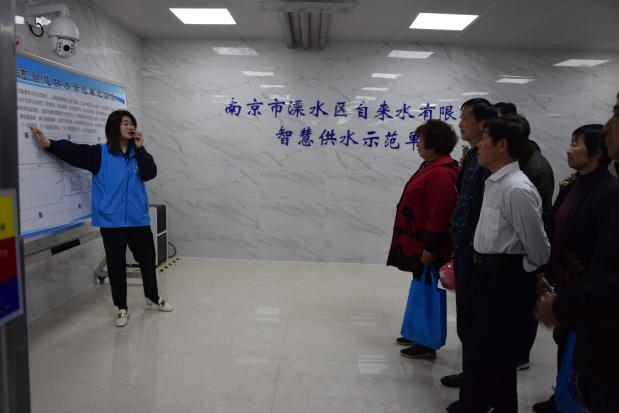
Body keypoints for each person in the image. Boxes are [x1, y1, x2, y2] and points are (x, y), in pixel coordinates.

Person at [31, 110, 173, 327]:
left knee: (147, 259)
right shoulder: (100, 153)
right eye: (125, 123)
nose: (130, 126)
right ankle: (121, 308)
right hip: (111, 221)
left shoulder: (138, 154)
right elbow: (74, 151)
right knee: (116, 265)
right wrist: (49, 144)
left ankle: (152, 297)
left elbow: (150, 173)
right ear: (114, 127)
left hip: (138, 219)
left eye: (132, 123)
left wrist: (140, 148)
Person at [459, 118, 550, 413]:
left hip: (505, 278)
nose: (479, 144)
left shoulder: (516, 188)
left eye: (485, 138)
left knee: (489, 353)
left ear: (502, 145)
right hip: (487, 273)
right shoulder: (496, 181)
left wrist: (525, 274)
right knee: (491, 354)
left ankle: (477, 405)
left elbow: (538, 247)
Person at [536, 99, 619, 412]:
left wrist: (575, 293)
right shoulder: (572, 184)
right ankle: (562, 393)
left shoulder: (608, 191)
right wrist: (546, 272)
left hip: (585, 288)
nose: (569, 150)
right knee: (565, 345)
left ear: (596, 152)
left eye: (576, 143)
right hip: (565, 283)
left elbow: (601, 251)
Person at [387, 119, 460, 359]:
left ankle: (425, 343)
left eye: (420, 139)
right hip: (416, 241)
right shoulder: (432, 166)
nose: (417, 144)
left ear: (433, 142)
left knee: (427, 290)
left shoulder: (441, 172)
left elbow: (440, 213)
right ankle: (416, 332)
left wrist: (430, 247)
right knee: (421, 286)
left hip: (427, 245)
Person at [440, 100, 497, 399]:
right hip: (464, 248)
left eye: (465, 119)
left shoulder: (488, 162)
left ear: (483, 124)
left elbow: (488, 211)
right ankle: (471, 376)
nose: (460, 124)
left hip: (478, 254)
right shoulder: (474, 156)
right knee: (466, 322)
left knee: (475, 323)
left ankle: (477, 387)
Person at [500, 112, 555, 370]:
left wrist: (539, 265)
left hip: (526, 253)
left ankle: (520, 354)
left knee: (524, 306)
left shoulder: (534, 169)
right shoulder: (513, 165)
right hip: (515, 252)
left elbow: (540, 218)